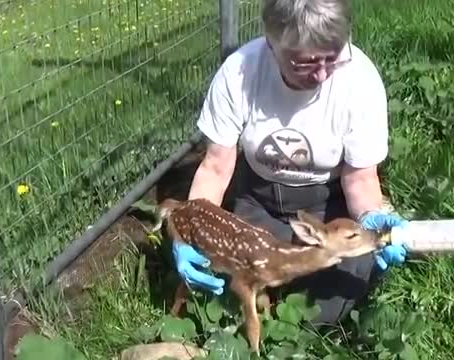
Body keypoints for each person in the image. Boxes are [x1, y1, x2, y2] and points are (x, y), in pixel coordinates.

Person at [170, 0, 410, 326]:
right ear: (272, 43)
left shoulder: (360, 81)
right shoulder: (241, 72)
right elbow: (216, 167)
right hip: (259, 198)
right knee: (234, 292)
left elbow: (360, 178)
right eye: (305, 63)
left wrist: (371, 219)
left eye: (333, 58)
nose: (323, 74)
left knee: (321, 312)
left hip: (328, 201)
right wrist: (187, 236)